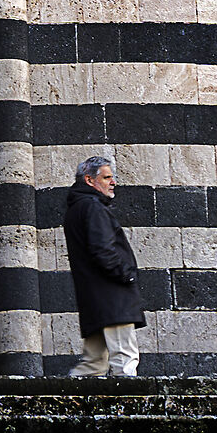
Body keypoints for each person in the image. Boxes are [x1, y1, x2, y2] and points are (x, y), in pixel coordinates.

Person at [63, 152, 145, 376]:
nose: (113, 182)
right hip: (112, 298)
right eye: (107, 177)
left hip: (96, 300)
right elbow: (103, 250)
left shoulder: (77, 209)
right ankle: (129, 407)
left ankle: (69, 403)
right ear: (89, 180)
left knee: (94, 364)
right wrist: (126, 275)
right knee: (125, 360)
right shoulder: (93, 207)